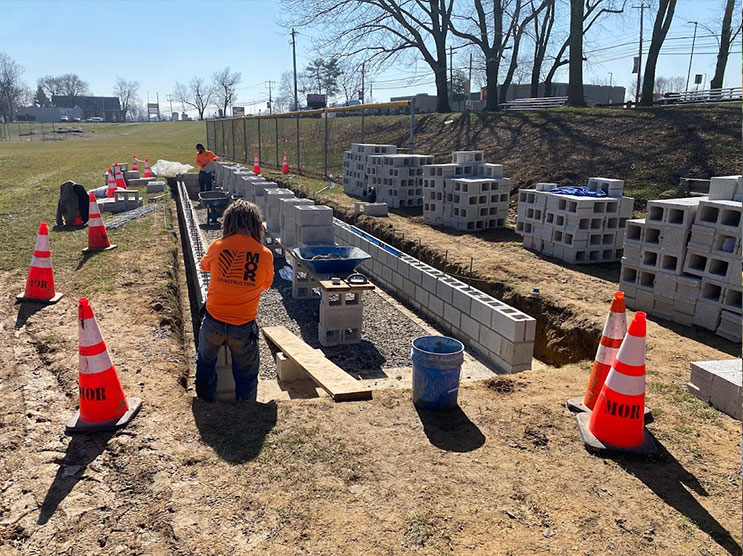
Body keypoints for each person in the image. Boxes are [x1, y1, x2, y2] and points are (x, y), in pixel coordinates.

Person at [197, 200, 274, 402]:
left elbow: (204, 266)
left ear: (228, 223)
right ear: (256, 225)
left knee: (205, 364)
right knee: (247, 375)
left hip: (213, 322)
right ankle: (246, 410)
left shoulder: (217, 246)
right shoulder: (265, 255)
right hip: (243, 326)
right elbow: (265, 285)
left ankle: (206, 404)